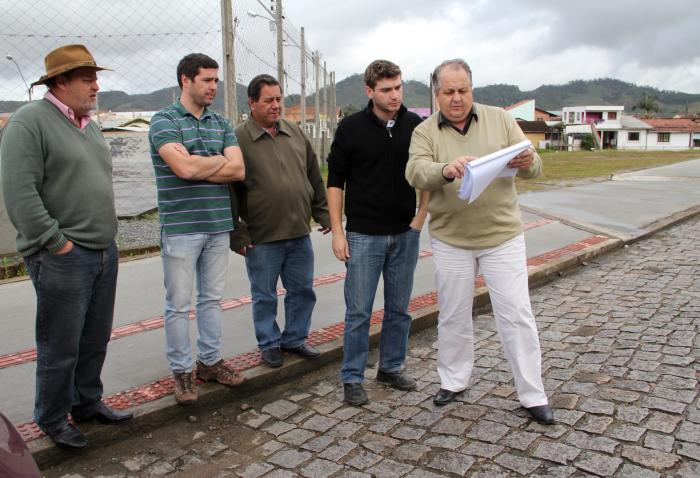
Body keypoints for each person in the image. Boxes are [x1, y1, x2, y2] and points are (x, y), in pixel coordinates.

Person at [405, 59, 554, 424]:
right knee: (453, 314)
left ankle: (532, 394)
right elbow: (415, 172)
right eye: (449, 92)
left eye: (463, 90)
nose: (457, 99)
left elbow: (535, 167)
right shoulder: (425, 131)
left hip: (501, 236)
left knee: (516, 314)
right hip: (451, 238)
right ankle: (453, 381)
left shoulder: (500, 119)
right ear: (436, 94)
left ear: (472, 89)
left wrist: (527, 158)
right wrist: (446, 169)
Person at [0, 44, 132, 449]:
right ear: (61, 82)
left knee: (95, 337)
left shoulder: (89, 124)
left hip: (102, 251)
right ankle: (52, 417)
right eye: (87, 78)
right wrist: (56, 243)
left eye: (95, 77)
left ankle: (86, 403)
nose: (96, 85)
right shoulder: (29, 123)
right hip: (63, 256)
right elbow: (20, 193)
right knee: (60, 343)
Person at [326, 60, 427, 406]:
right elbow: (334, 182)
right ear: (369, 91)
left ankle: (391, 368)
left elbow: (427, 169)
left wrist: (420, 216)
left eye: (398, 87)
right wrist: (338, 232)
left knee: (399, 309)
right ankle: (352, 378)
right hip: (363, 236)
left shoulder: (415, 125)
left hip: (404, 233)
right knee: (359, 312)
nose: (395, 94)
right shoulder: (350, 128)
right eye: (386, 89)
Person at [149, 53, 246, 406]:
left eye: (216, 80)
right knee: (178, 304)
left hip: (218, 226)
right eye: (207, 80)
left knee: (211, 300)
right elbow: (183, 170)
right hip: (181, 228)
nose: (214, 86)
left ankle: (209, 362)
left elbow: (238, 170)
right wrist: (217, 161)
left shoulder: (221, 122)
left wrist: (198, 162)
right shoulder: (163, 121)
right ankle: (181, 371)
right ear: (185, 81)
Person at [235, 74, 330, 369]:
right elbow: (230, 191)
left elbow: (313, 174)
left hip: (299, 231)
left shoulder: (294, 132)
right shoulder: (238, 139)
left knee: (302, 290)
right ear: (252, 103)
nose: (276, 105)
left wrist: (323, 212)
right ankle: (269, 344)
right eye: (269, 100)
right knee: (264, 295)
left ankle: (295, 338)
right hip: (261, 237)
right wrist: (238, 234)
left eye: (279, 99)